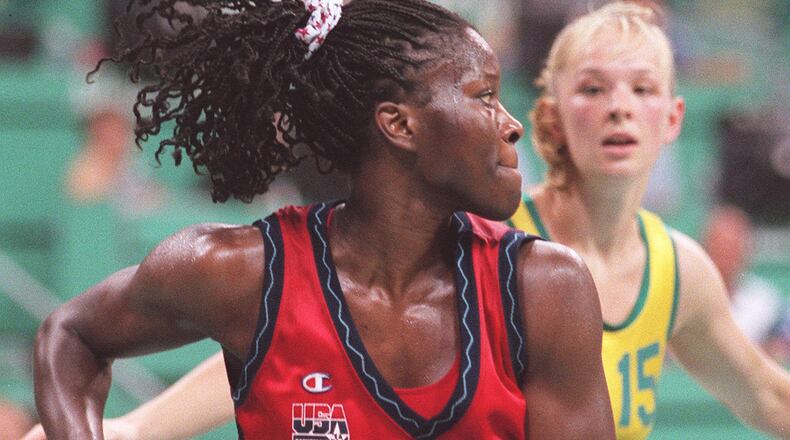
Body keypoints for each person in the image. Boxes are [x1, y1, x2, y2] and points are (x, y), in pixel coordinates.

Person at [27, 2, 790, 440]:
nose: (511, 123)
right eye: (485, 96)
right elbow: (71, 333)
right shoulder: (240, 272)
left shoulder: (544, 287)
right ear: (399, 125)